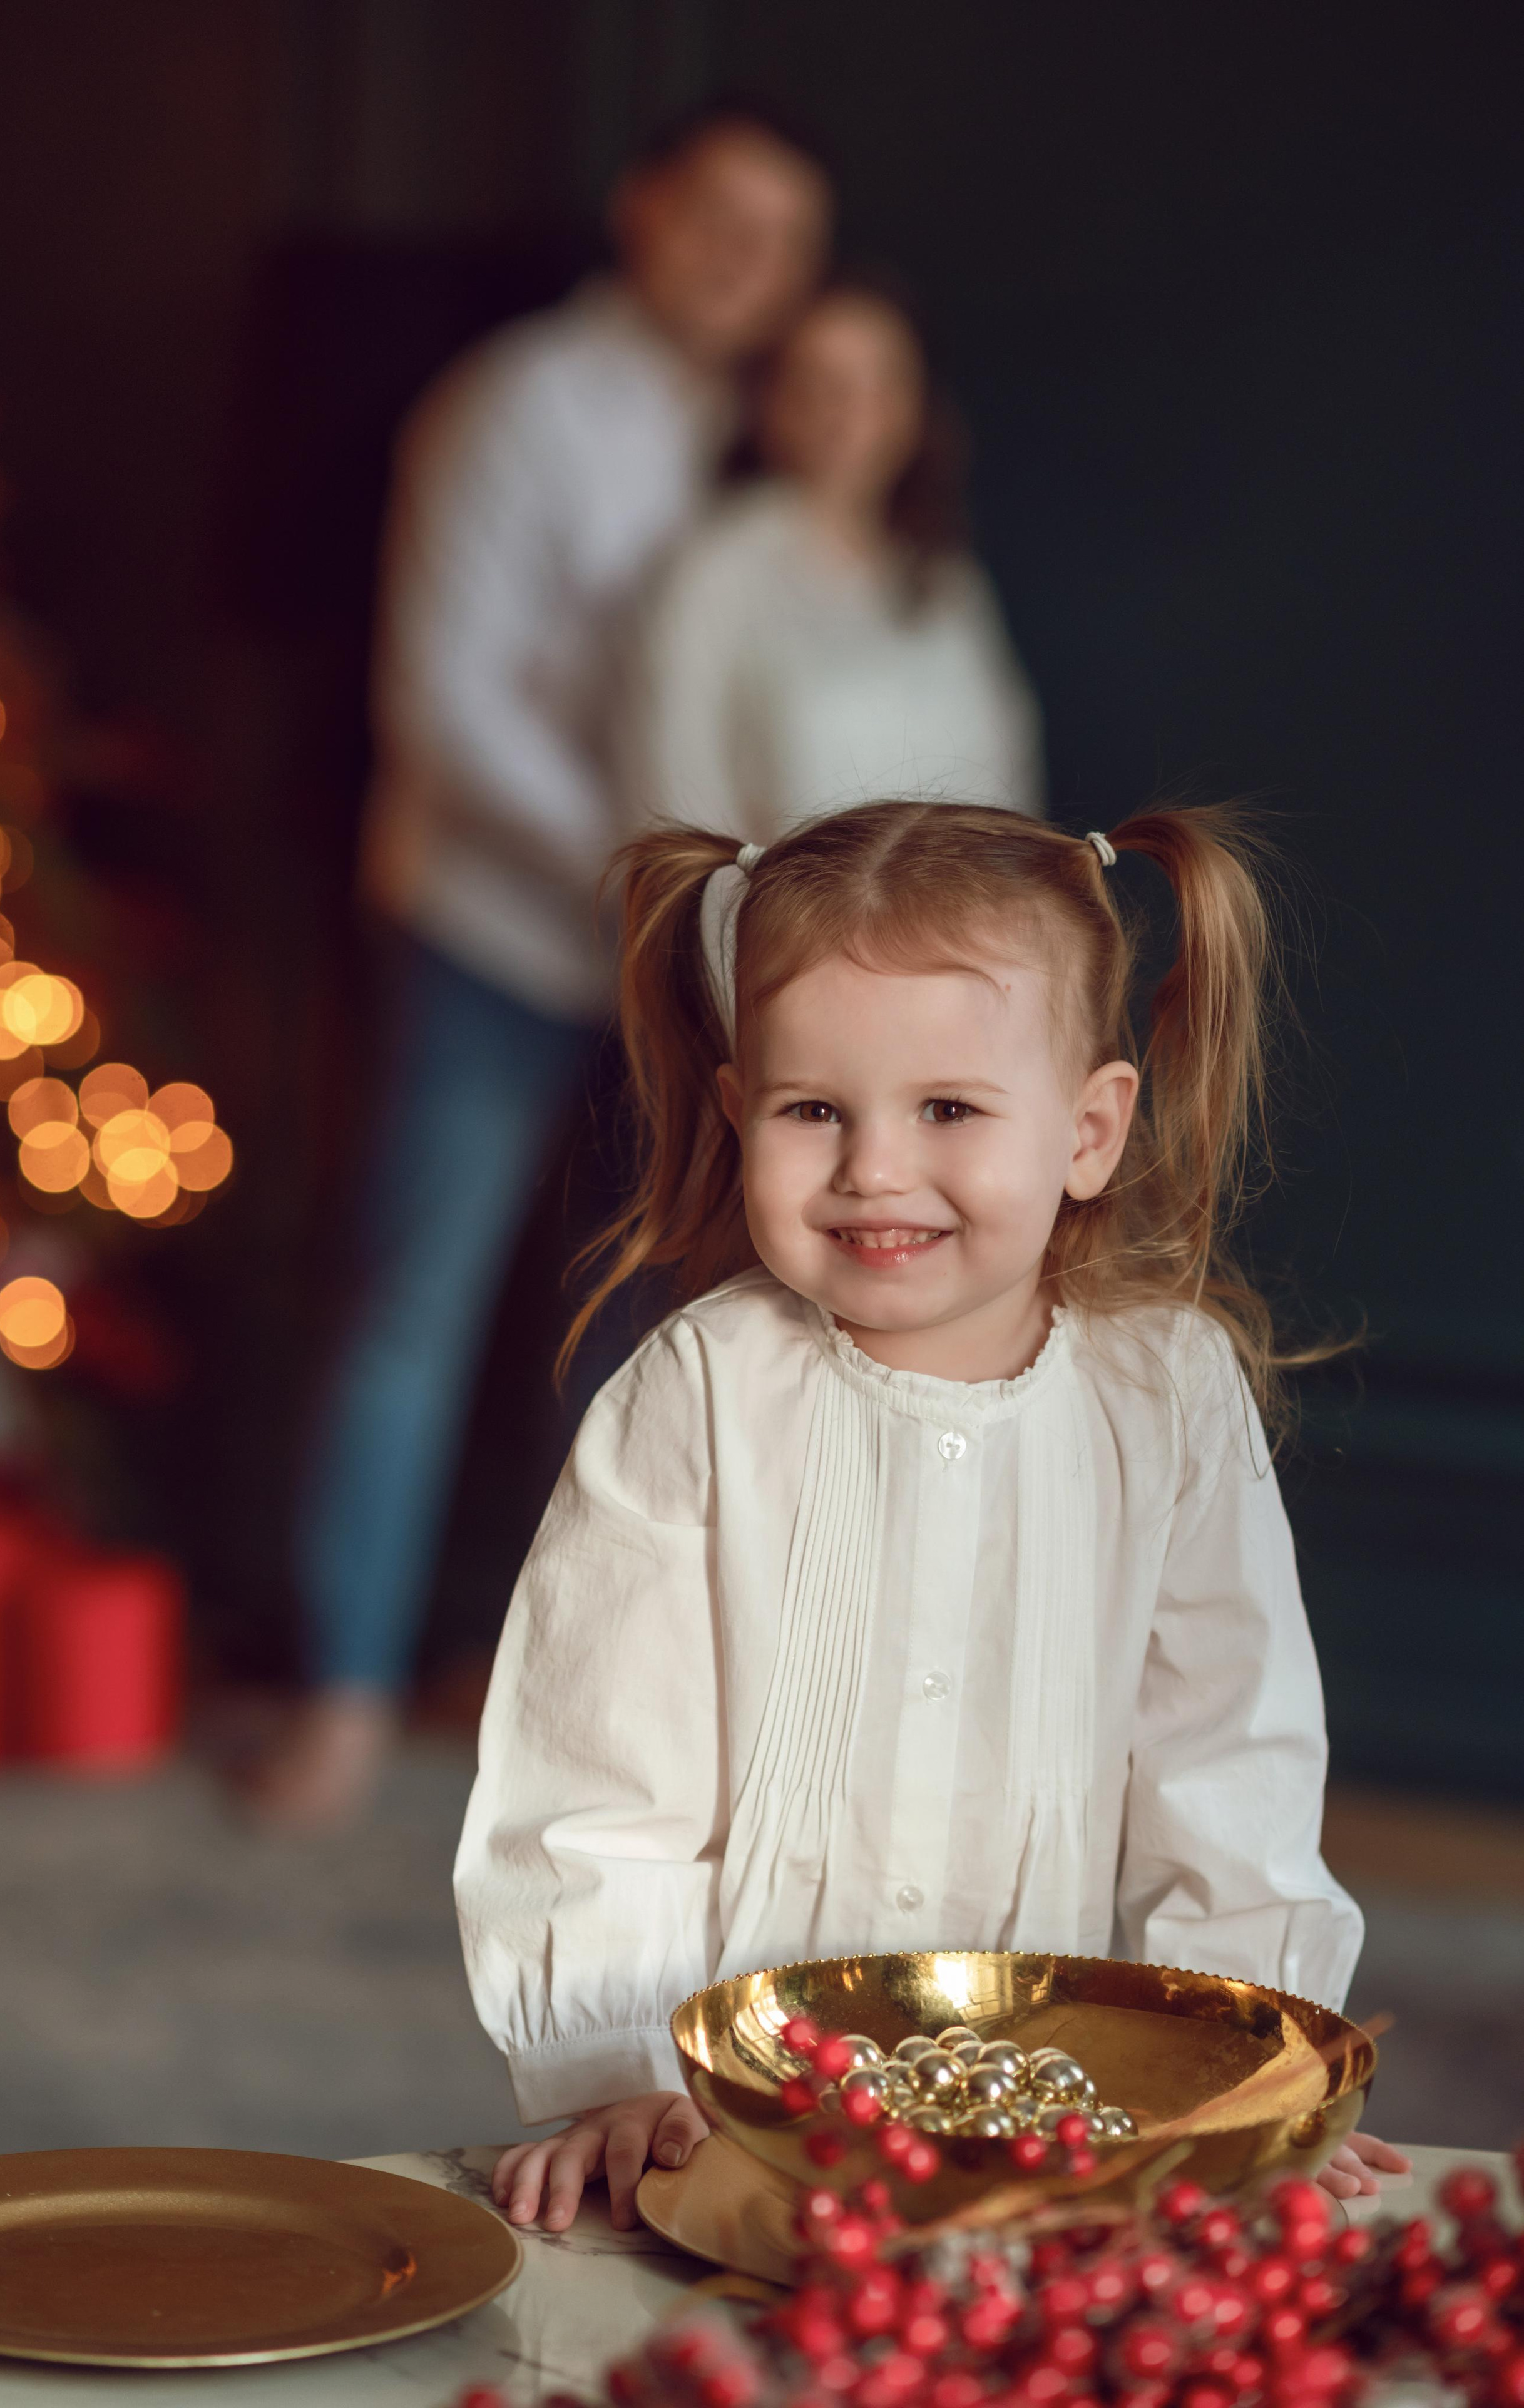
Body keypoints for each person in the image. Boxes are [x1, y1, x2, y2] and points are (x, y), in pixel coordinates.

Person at [455, 798, 1410, 2224]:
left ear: (1087, 1128)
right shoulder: (697, 1392)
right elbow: (597, 1769)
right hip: (743, 2122)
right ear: (737, 1113)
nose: (873, 1169)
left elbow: (1226, 1765)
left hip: (1064, 2120)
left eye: (947, 1109)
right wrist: (616, 2065)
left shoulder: (1167, 1395)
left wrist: (1248, 2074)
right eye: (812, 1110)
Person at [255, 109, 832, 1827]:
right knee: (411, 1311)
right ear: (641, 211)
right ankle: (337, 1688)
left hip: (685, 972)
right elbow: (441, 711)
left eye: (782, 237)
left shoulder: (774, 435)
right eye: (719, 217)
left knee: (629, 1334)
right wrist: (658, 876)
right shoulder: (517, 405)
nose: (746, 261)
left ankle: (571, 1720)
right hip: (496, 934)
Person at [620, 280, 1043, 843]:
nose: (849, 411)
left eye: (878, 382)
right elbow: (675, 809)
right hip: (785, 926)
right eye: (820, 383)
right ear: (770, 400)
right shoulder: (713, 573)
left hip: (960, 922)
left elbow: (1011, 774)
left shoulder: (948, 579)